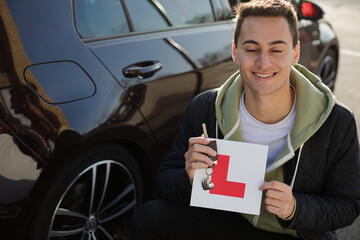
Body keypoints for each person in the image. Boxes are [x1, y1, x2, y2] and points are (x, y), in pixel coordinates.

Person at [131, 0, 360, 239]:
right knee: (149, 218)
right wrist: (189, 177)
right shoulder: (206, 108)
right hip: (227, 219)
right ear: (235, 51)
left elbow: (348, 205)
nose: (263, 62)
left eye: (276, 49)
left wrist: (296, 207)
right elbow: (165, 181)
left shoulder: (335, 121)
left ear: (295, 53)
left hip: (293, 232)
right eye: (251, 49)